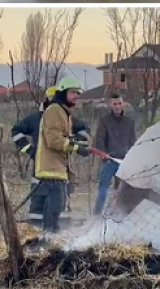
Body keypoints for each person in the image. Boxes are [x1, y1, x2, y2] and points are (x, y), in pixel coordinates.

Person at [11, 85, 90, 226]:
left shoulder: (66, 117)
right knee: (38, 203)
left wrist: (74, 143)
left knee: (57, 202)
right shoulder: (35, 119)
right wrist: (30, 150)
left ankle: (53, 231)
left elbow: (84, 131)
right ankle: (36, 231)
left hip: (59, 166)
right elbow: (16, 131)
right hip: (40, 167)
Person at [35, 77, 91, 232]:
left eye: (78, 93)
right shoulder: (55, 110)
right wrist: (75, 147)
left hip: (58, 167)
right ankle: (50, 235)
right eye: (73, 92)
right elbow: (53, 140)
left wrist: (76, 141)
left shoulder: (64, 113)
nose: (76, 96)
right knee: (55, 204)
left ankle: (48, 235)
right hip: (50, 166)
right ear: (63, 92)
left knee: (56, 204)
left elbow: (62, 137)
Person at [93, 94, 138, 215]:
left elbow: (133, 142)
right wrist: (104, 155)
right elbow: (100, 139)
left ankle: (121, 215)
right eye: (114, 104)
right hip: (109, 162)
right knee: (103, 191)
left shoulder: (129, 122)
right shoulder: (104, 121)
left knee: (124, 192)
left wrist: (132, 158)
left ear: (123, 104)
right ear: (110, 105)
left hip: (124, 162)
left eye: (119, 103)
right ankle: (97, 216)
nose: (117, 106)